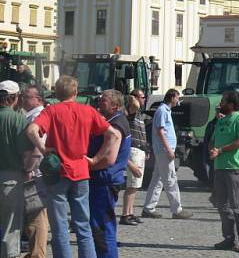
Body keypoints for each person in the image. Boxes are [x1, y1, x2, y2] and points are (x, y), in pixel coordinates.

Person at [27, 75, 121, 258]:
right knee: (83, 225)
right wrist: (95, 159)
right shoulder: (88, 111)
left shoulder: (51, 111)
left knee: (60, 227)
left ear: (56, 92)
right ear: (76, 92)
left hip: (58, 173)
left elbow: (31, 130)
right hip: (81, 171)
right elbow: (114, 135)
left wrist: (44, 149)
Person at [88, 90, 131, 258]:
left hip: (104, 181)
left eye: (103, 100)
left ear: (115, 105)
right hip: (103, 180)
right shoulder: (112, 121)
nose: (99, 102)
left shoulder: (116, 125)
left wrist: (89, 166)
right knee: (100, 227)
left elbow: (109, 159)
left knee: (102, 229)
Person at [208, 91, 239, 252]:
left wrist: (219, 151)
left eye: (223, 102)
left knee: (237, 205)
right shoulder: (221, 121)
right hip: (219, 167)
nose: (220, 104)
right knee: (222, 205)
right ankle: (229, 238)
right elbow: (213, 140)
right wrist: (212, 150)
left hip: (234, 167)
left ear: (232, 104)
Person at [141, 89, 192, 219]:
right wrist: (169, 149)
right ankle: (177, 209)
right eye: (177, 97)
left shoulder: (164, 111)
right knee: (171, 179)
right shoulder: (162, 111)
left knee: (157, 179)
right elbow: (160, 131)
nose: (178, 100)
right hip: (164, 151)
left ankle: (148, 207)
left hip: (163, 150)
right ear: (172, 97)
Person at [1, 80, 32, 258]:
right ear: (15, 98)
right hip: (10, 178)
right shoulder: (18, 119)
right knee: (10, 226)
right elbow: (26, 152)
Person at [20, 84, 48, 258]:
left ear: (38, 99)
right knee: (32, 217)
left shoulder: (38, 116)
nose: (23, 99)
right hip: (34, 171)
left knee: (37, 216)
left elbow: (39, 146)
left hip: (35, 172)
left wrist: (29, 169)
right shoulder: (30, 115)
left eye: (27, 96)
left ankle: (37, 254)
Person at [120, 92, 148, 226]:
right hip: (133, 150)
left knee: (136, 185)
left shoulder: (140, 115)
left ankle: (130, 212)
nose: (144, 99)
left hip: (140, 149)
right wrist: (133, 97)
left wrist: (146, 149)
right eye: (142, 97)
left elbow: (142, 134)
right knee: (132, 184)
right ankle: (125, 214)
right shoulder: (131, 113)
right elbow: (134, 105)